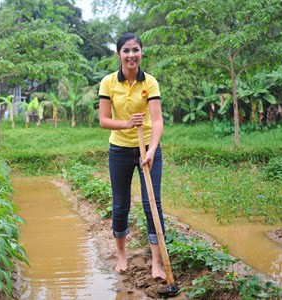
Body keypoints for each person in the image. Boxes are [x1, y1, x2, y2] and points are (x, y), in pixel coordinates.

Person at [98, 33, 166, 279]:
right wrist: (127, 124)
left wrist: (150, 151)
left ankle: (157, 263)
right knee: (120, 205)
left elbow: (157, 121)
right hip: (119, 151)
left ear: (141, 52)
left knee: (152, 206)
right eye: (126, 50)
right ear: (118, 54)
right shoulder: (108, 82)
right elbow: (104, 121)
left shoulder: (150, 82)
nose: (131, 55)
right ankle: (122, 255)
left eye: (135, 50)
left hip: (148, 149)